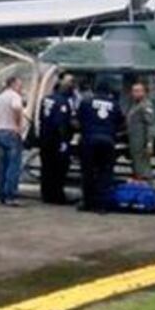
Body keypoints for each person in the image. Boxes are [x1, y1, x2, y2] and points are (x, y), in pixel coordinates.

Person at [77, 79, 124, 212]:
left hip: (89, 140)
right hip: (107, 141)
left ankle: (88, 203)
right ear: (109, 92)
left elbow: (79, 119)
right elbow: (120, 122)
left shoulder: (86, 102)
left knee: (88, 172)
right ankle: (102, 205)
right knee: (105, 173)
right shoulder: (115, 104)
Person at [0, 76, 26, 207]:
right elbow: (17, 108)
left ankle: (0, 193)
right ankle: (10, 195)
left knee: (2, 165)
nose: (21, 88)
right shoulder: (15, 96)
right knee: (14, 165)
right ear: (13, 84)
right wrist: (18, 125)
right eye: (19, 85)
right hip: (11, 132)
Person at [37, 75, 76, 204]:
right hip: (56, 140)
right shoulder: (62, 102)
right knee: (59, 169)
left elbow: (41, 118)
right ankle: (57, 196)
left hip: (45, 137)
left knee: (46, 168)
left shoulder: (46, 99)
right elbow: (61, 123)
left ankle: (46, 194)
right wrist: (64, 141)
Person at [126, 81, 155, 180]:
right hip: (135, 142)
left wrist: (150, 143)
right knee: (137, 165)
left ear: (144, 92)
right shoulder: (135, 105)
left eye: (138, 91)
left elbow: (151, 124)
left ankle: (146, 184)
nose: (135, 93)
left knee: (143, 167)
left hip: (142, 142)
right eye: (133, 91)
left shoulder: (146, 105)